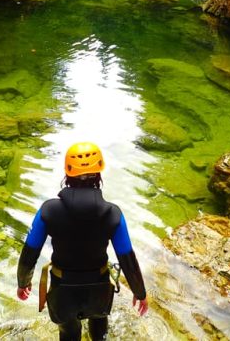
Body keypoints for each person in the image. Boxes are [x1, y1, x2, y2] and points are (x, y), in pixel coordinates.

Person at [16, 141, 148, 341]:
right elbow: (127, 258)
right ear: (99, 174)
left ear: (67, 173)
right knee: (99, 332)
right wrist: (140, 293)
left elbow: (30, 253)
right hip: (99, 290)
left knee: (68, 333)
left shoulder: (48, 211)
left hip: (63, 291)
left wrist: (23, 282)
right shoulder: (113, 214)